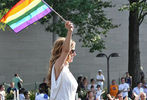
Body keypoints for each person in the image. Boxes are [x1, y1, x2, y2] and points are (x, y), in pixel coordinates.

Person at [48, 21, 78, 100]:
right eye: (72, 51)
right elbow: (65, 51)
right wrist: (69, 31)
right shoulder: (58, 66)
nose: (74, 54)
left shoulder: (66, 70)